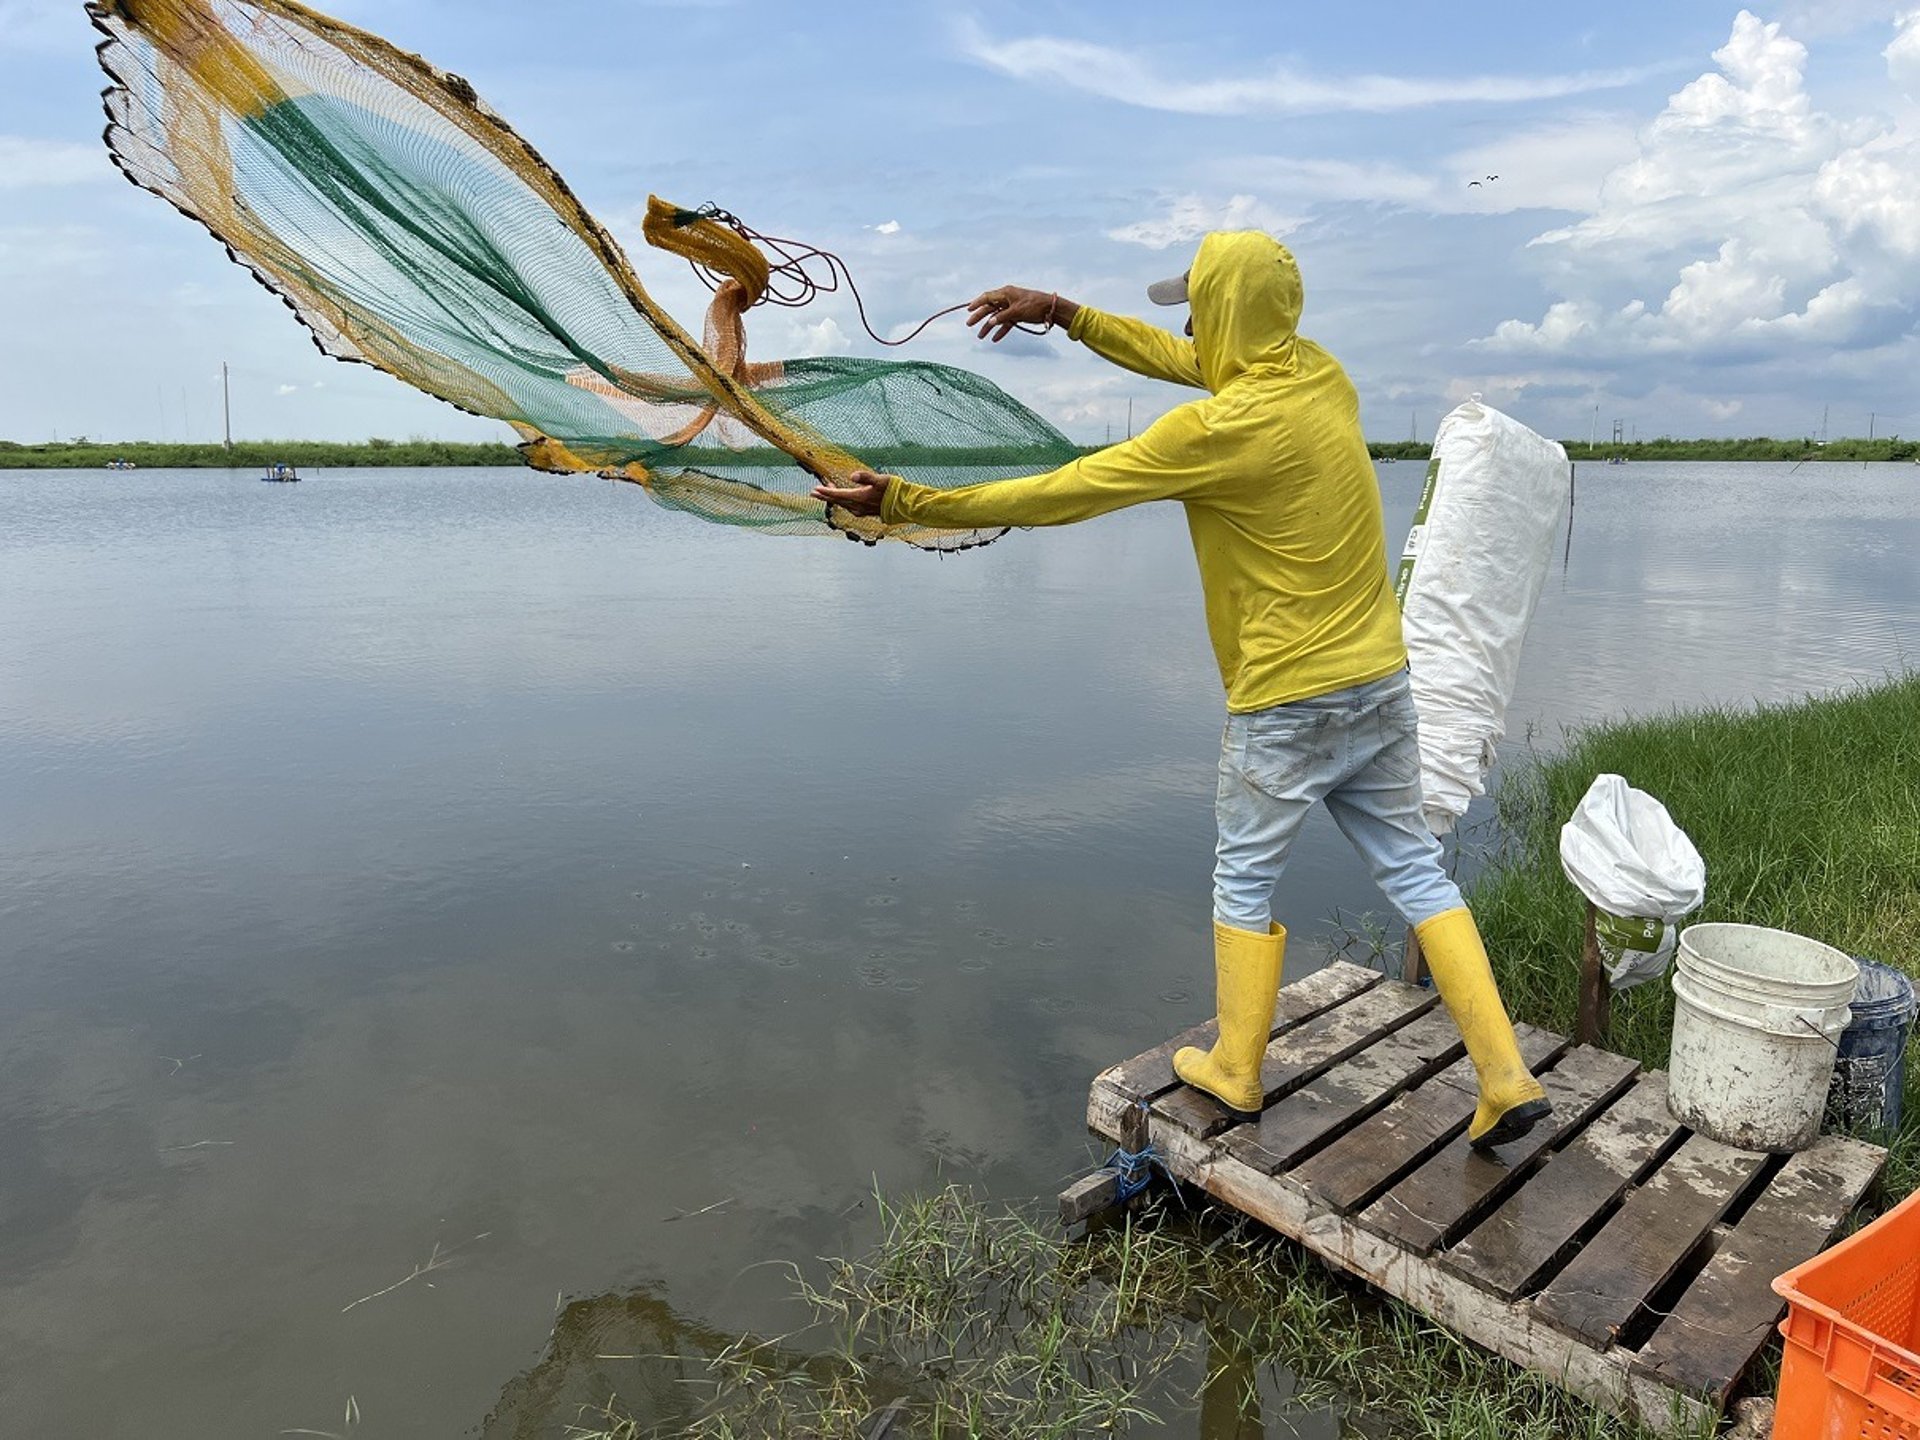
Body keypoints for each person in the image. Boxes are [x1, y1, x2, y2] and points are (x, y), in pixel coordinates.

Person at [812, 231, 1550, 1147]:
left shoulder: (1214, 433)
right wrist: (1067, 314)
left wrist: (908, 503)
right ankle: (1506, 1076)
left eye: (1200, 306)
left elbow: (1065, 491)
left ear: (1229, 314)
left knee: (1242, 877)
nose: (1191, 326)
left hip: (1288, 697)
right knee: (1413, 868)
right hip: (1379, 680)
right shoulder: (1322, 376)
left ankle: (1237, 1070)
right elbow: (1187, 357)